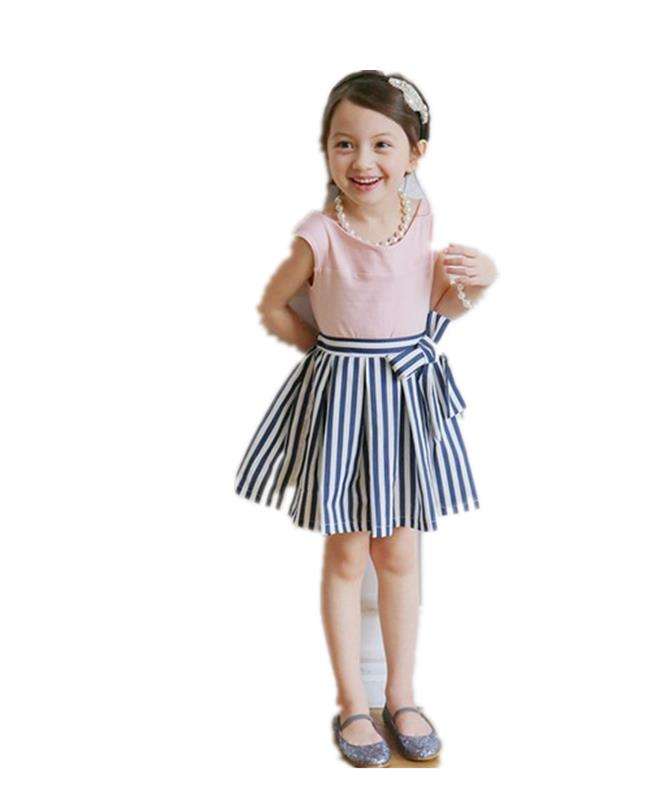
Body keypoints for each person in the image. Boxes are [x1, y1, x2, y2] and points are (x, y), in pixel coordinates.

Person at [234, 70, 498, 767]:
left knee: (401, 551)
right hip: (346, 405)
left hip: (405, 403)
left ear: (415, 154)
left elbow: (435, 305)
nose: (362, 160)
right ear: (325, 151)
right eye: (344, 143)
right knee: (350, 551)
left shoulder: (421, 218)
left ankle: (400, 694)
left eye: (383, 143)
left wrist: (481, 279)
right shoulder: (320, 234)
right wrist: (329, 355)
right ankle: (353, 701)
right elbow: (274, 305)